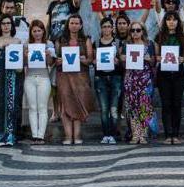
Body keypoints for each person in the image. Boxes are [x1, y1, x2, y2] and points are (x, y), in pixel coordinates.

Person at [54, 14, 95, 145]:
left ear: (81, 25)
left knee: (78, 104)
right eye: (72, 23)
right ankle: (67, 136)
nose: (74, 25)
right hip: (64, 76)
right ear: (68, 24)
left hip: (80, 77)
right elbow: (54, 59)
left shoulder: (86, 40)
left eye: (77, 23)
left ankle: (77, 136)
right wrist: (57, 61)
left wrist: (85, 60)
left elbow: (90, 59)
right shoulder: (60, 40)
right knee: (65, 105)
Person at [46, 0, 80, 123]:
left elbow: (78, 2)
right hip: (53, 43)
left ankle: (68, 110)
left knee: (67, 78)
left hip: (66, 43)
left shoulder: (71, 3)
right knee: (53, 80)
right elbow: (49, 22)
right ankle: (55, 110)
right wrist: (46, 40)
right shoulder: (52, 4)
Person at [0, 14, 23, 146]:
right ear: (0, 26)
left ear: (12, 26)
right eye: (4, 23)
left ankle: (10, 136)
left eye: (8, 23)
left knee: (11, 106)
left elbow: (19, 67)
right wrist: (2, 49)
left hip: (12, 77)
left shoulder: (18, 41)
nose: (6, 26)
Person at [155, 11, 184, 144]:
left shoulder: (183, 37)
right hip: (163, 75)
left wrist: (183, 58)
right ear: (165, 21)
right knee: (166, 104)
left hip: (178, 75)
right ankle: (168, 135)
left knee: (177, 104)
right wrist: (158, 58)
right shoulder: (159, 36)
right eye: (169, 19)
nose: (171, 22)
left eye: (174, 20)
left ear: (178, 22)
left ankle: (176, 134)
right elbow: (156, 56)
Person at [120, 21, 156, 144]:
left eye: (138, 30)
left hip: (145, 80)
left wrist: (149, 59)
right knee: (132, 108)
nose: (135, 33)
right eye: (132, 30)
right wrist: (122, 58)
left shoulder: (149, 44)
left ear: (142, 31)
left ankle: (143, 134)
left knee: (144, 107)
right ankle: (135, 134)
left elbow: (153, 62)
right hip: (131, 80)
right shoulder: (126, 45)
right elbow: (123, 63)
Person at [24, 20, 54, 144]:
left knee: (42, 107)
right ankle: (34, 134)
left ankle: (40, 135)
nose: (37, 33)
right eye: (34, 31)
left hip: (44, 78)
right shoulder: (26, 44)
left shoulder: (49, 44)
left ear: (43, 31)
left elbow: (51, 63)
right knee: (32, 107)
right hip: (29, 78)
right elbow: (23, 65)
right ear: (31, 32)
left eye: (39, 30)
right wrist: (24, 57)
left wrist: (48, 55)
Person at [93, 16, 122, 144]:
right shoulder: (97, 43)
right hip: (101, 78)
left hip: (115, 77)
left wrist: (118, 61)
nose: (107, 29)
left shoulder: (118, 43)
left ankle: (114, 134)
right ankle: (106, 134)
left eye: (109, 26)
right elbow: (93, 59)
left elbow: (122, 61)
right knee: (104, 108)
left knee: (114, 108)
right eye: (104, 26)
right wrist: (94, 62)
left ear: (112, 28)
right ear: (101, 28)